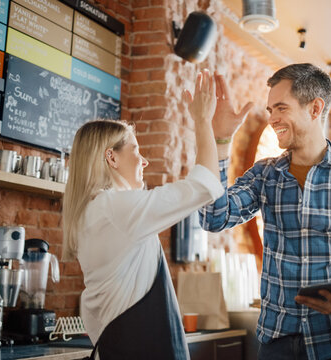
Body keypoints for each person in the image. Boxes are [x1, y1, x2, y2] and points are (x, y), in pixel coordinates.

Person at [199, 64, 331, 360]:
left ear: (315, 108)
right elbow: (214, 217)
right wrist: (220, 140)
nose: (272, 119)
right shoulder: (264, 175)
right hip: (275, 345)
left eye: (280, 108)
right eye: (269, 110)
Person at [62, 70, 224, 359]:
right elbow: (205, 185)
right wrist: (204, 122)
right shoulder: (114, 209)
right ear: (111, 157)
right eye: (136, 150)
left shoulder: (98, 211)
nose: (145, 160)